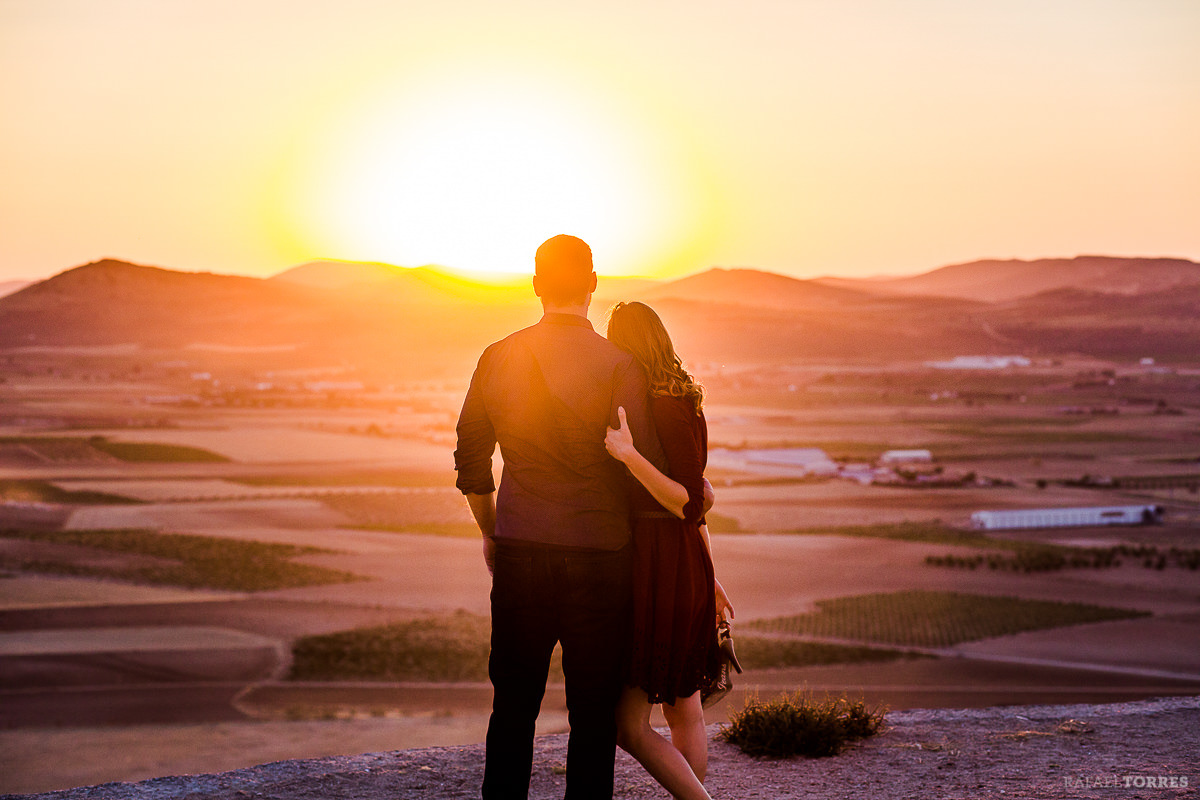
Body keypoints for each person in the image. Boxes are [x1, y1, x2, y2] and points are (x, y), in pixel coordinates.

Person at [454, 235, 667, 800]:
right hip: (602, 554)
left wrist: (489, 530)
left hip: (521, 545)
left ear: (535, 286)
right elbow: (643, 467)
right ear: (594, 285)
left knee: (513, 708)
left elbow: (471, 459)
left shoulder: (497, 356)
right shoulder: (620, 365)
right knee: (593, 715)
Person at [603, 301, 735, 800]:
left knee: (630, 727)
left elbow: (684, 500)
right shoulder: (683, 397)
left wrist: (627, 454)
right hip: (686, 564)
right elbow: (700, 503)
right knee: (686, 711)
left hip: (661, 563)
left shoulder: (659, 404)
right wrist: (712, 578)